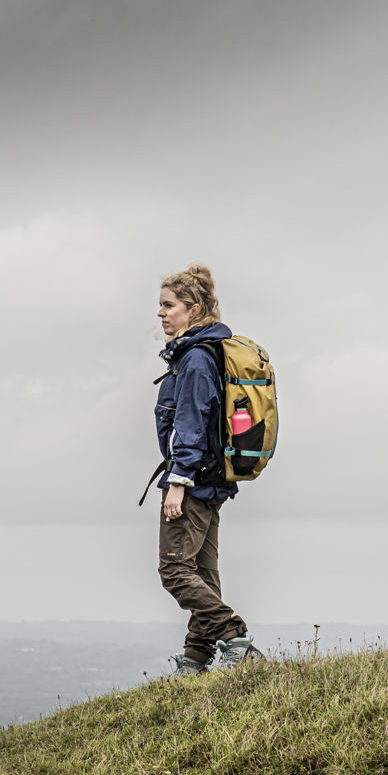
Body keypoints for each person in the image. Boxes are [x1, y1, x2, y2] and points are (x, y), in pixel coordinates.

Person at [153, 264, 255, 674]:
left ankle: (235, 636)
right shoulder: (206, 352)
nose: (161, 314)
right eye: (159, 306)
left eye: (168, 305)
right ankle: (196, 657)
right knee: (203, 574)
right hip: (213, 479)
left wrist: (178, 481)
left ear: (194, 309)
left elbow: (191, 421)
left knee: (175, 571)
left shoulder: (195, 358)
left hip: (192, 481)